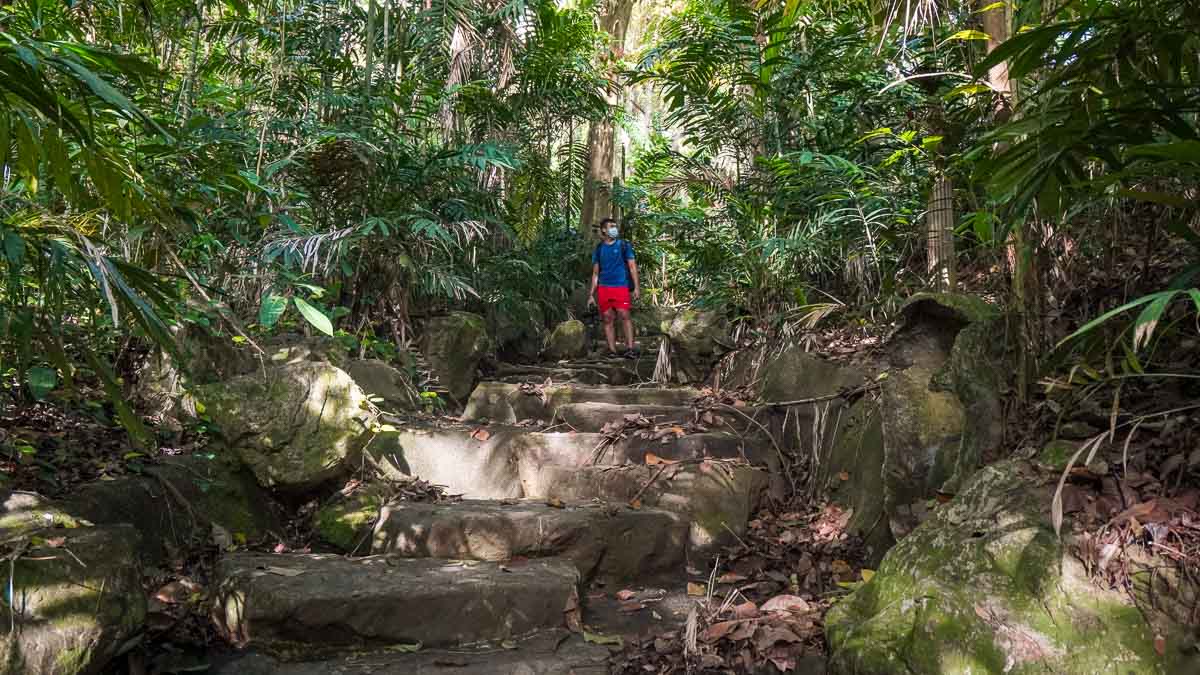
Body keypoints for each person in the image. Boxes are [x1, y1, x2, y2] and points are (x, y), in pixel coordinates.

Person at [587, 217, 640, 358]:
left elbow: (632, 266)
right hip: (604, 288)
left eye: (615, 226)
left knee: (624, 315)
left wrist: (636, 287)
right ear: (604, 230)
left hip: (621, 286)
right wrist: (591, 294)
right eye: (611, 226)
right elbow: (595, 273)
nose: (614, 229)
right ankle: (612, 350)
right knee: (607, 318)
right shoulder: (599, 249)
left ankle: (630, 349)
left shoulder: (624, 245)